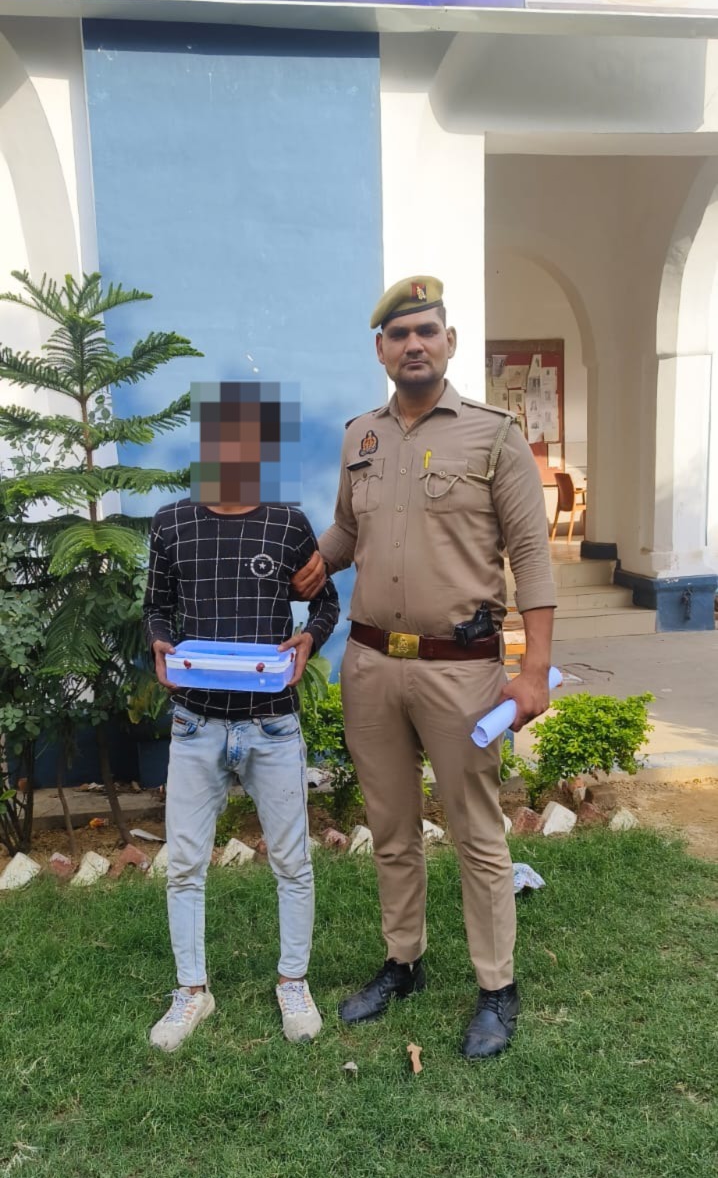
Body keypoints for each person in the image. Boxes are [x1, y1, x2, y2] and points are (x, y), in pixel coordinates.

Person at [294, 277, 556, 1060]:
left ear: (449, 342)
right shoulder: (361, 437)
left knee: (476, 831)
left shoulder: (494, 436)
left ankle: (497, 986)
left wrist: (534, 671)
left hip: (461, 671)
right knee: (391, 826)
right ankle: (403, 961)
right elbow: (349, 530)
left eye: (427, 331)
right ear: (381, 349)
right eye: (399, 333)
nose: (414, 344)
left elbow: (532, 556)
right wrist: (310, 561)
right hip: (372, 663)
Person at [144, 384, 339, 1052]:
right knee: (184, 864)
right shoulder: (171, 524)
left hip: (272, 722)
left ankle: (293, 981)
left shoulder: (288, 525)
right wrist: (161, 644)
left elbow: (325, 603)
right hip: (195, 723)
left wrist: (309, 639)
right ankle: (191, 991)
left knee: (292, 860)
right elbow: (157, 608)